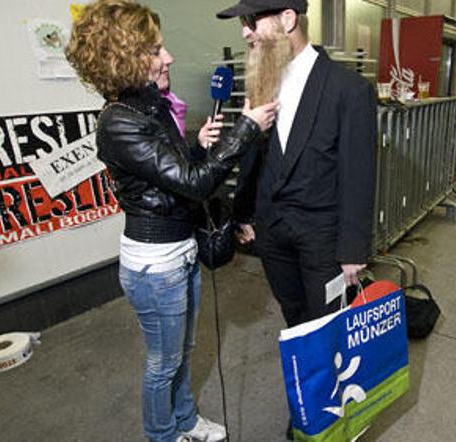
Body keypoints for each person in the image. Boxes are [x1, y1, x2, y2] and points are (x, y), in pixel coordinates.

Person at [65, 1, 277, 441]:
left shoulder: (151, 108)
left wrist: (197, 146)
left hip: (180, 251)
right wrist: (245, 129)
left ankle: (185, 421)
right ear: (126, 58)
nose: (169, 57)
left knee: (184, 350)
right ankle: (162, 434)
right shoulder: (118, 124)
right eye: (156, 50)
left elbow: (174, 175)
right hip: (155, 265)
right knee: (163, 364)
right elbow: (195, 184)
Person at [216, 0, 377, 437]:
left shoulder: (348, 90)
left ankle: (327, 418)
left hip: (324, 239)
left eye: (252, 21)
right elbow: (255, 159)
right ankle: (311, 406)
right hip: (273, 235)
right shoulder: (261, 82)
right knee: (296, 322)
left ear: (288, 19)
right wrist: (245, 213)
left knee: (326, 331)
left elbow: (359, 174)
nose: (245, 32)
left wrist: (353, 249)